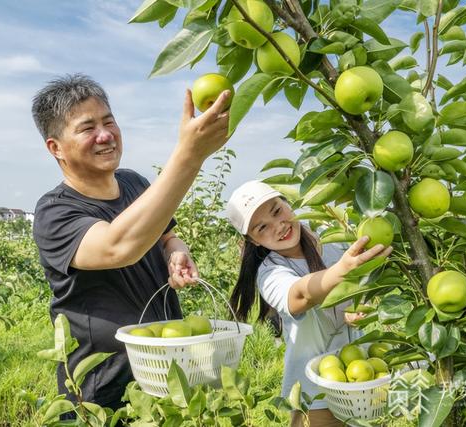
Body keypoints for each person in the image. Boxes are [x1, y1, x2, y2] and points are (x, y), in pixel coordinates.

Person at [31, 74, 230, 411]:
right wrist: (190, 155)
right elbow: (118, 246)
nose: (105, 135)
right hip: (102, 393)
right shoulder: (54, 212)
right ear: (56, 148)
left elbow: (165, 232)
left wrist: (176, 250)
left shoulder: (134, 182)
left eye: (109, 121)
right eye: (87, 128)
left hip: (167, 376)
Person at [225, 180, 393, 427]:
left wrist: (357, 306)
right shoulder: (270, 272)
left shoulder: (335, 243)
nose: (279, 226)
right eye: (263, 227)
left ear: (287, 202)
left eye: (277, 210)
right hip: (314, 396)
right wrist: (343, 269)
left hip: (361, 385)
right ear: (254, 241)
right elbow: (300, 295)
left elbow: (360, 289)